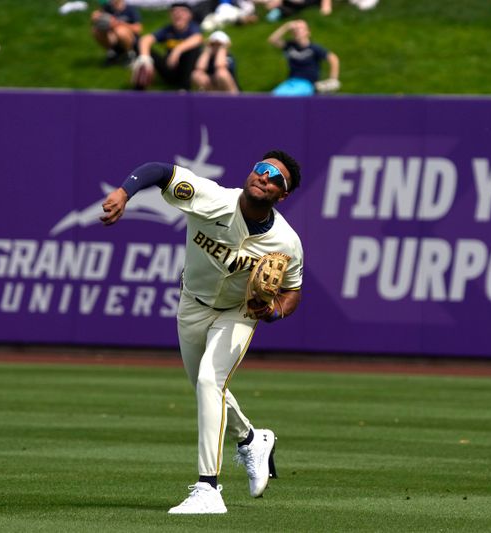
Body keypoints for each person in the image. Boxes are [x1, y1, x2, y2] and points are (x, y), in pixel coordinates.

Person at [100, 151, 304, 514]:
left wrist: (273, 312)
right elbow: (159, 171)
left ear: (282, 194)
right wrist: (124, 192)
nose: (265, 177)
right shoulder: (210, 197)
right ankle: (252, 439)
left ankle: (208, 489)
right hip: (192, 303)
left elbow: (292, 291)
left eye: (276, 178)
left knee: (211, 381)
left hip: (238, 313)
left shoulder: (286, 242)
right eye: (261, 168)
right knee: (204, 388)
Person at [131, 2, 204, 91]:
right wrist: (145, 58)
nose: (178, 14)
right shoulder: (168, 30)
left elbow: (197, 39)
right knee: (139, 45)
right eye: (174, 11)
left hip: (188, 71)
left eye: (182, 11)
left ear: (189, 15)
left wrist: (177, 50)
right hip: (170, 68)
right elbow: (146, 39)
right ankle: (139, 89)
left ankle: (184, 88)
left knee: (193, 49)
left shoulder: (193, 28)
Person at [268, 19, 340, 97]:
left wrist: (333, 79)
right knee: (273, 99)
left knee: (286, 98)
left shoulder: (314, 48)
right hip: (290, 82)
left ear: (308, 32)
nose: (297, 31)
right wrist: (286, 26)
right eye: (295, 29)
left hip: (308, 84)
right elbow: (272, 40)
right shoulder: (290, 46)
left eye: (300, 28)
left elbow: (333, 58)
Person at [90, 0, 142, 66]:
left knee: (120, 31)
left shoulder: (130, 9)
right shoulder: (106, 9)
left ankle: (129, 55)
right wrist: (96, 18)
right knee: (96, 30)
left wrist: (118, 23)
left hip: (130, 40)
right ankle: (112, 54)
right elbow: (98, 21)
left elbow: (138, 29)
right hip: (113, 39)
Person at [262, 0, 332, 23]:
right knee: (270, 18)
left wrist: (326, 6)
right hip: (290, 5)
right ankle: (278, 11)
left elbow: (326, 10)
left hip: (306, 4)